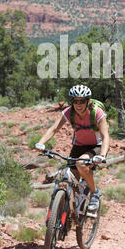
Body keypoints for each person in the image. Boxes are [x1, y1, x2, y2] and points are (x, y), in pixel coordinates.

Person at [36, 85, 109, 213]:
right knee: (69, 178)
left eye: (81, 101)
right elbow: (54, 129)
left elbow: (105, 136)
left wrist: (102, 155)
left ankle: (94, 192)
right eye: (75, 101)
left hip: (95, 147)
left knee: (81, 164)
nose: (78, 104)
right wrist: (41, 143)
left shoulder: (97, 113)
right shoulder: (69, 112)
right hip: (78, 146)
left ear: (87, 101)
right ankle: (69, 213)